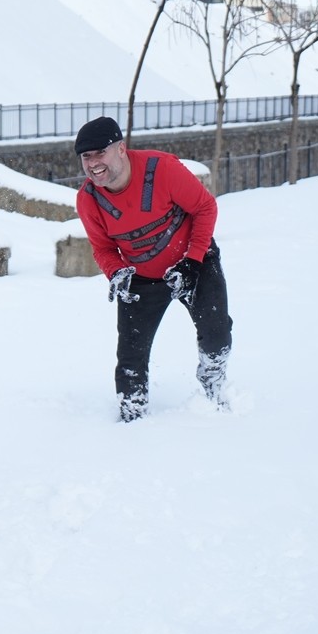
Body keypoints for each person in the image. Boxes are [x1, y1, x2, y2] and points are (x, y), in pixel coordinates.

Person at [73, 116, 233, 421]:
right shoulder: (89, 200)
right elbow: (103, 247)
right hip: (141, 279)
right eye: (86, 156)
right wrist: (116, 271)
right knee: (130, 359)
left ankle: (213, 387)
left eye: (99, 153)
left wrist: (193, 260)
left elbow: (205, 207)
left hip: (193, 262)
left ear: (121, 148)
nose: (93, 163)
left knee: (217, 334)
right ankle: (133, 419)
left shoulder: (162, 170)